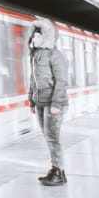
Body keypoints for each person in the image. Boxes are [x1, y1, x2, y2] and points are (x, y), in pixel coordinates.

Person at [27, 19, 70, 186]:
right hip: (40, 102)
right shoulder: (36, 56)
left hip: (53, 103)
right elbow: (33, 80)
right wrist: (31, 100)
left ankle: (58, 172)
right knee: (48, 137)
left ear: (46, 37)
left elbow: (62, 81)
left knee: (52, 138)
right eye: (32, 37)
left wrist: (56, 104)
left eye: (37, 36)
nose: (33, 40)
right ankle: (57, 170)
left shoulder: (55, 55)